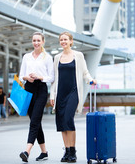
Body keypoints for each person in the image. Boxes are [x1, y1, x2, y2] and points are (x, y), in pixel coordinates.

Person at [50, 32, 96, 163]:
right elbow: (54, 79)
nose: (63, 42)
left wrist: (91, 80)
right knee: (61, 122)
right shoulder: (57, 57)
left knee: (68, 119)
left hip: (73, 92)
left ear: (71, 41)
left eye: (65, 39)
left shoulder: (78, 56)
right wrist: (52, 95)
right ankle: (66, 150)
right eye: (61, 40)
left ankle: (73, 151)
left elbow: (85, 72)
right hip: (60, 94)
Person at [19, 32, 54, 162]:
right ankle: (44, 152)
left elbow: (51, 77)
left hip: (41, 90)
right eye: (34, 40)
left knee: (34, 121)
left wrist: (40, 77)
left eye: (39, 40)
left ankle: (26, 151)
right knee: (36, 122)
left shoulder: (47, 58)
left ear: (43, 42)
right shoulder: (26, 57)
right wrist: (27, 77)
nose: (36, 43)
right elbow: (22, 75)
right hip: (28, 89)